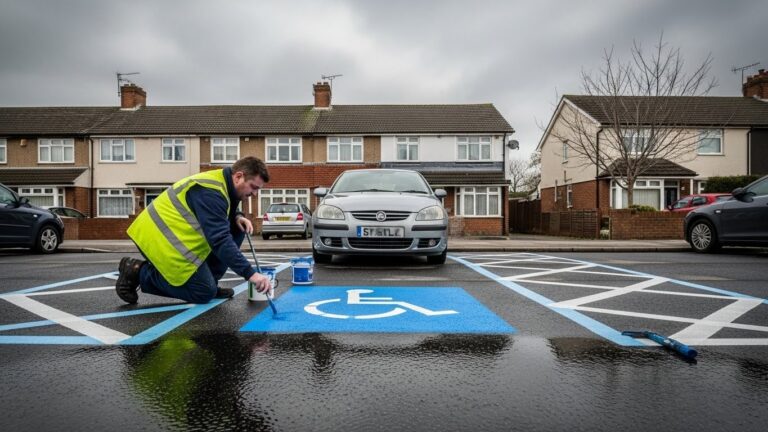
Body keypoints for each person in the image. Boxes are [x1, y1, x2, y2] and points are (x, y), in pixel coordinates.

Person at [115, 156, 272, 304]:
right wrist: (251, 274)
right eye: (253, 187)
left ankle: (210, 281)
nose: (255, 193)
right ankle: (136, 271)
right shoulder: (210, 191)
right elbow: (219, 240)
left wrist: (237, 216)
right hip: (158, 237)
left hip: (176, 235)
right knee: (203, 292)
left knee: (236, 228)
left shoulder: (223, 183)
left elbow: (225, 206)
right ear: (238, 177)